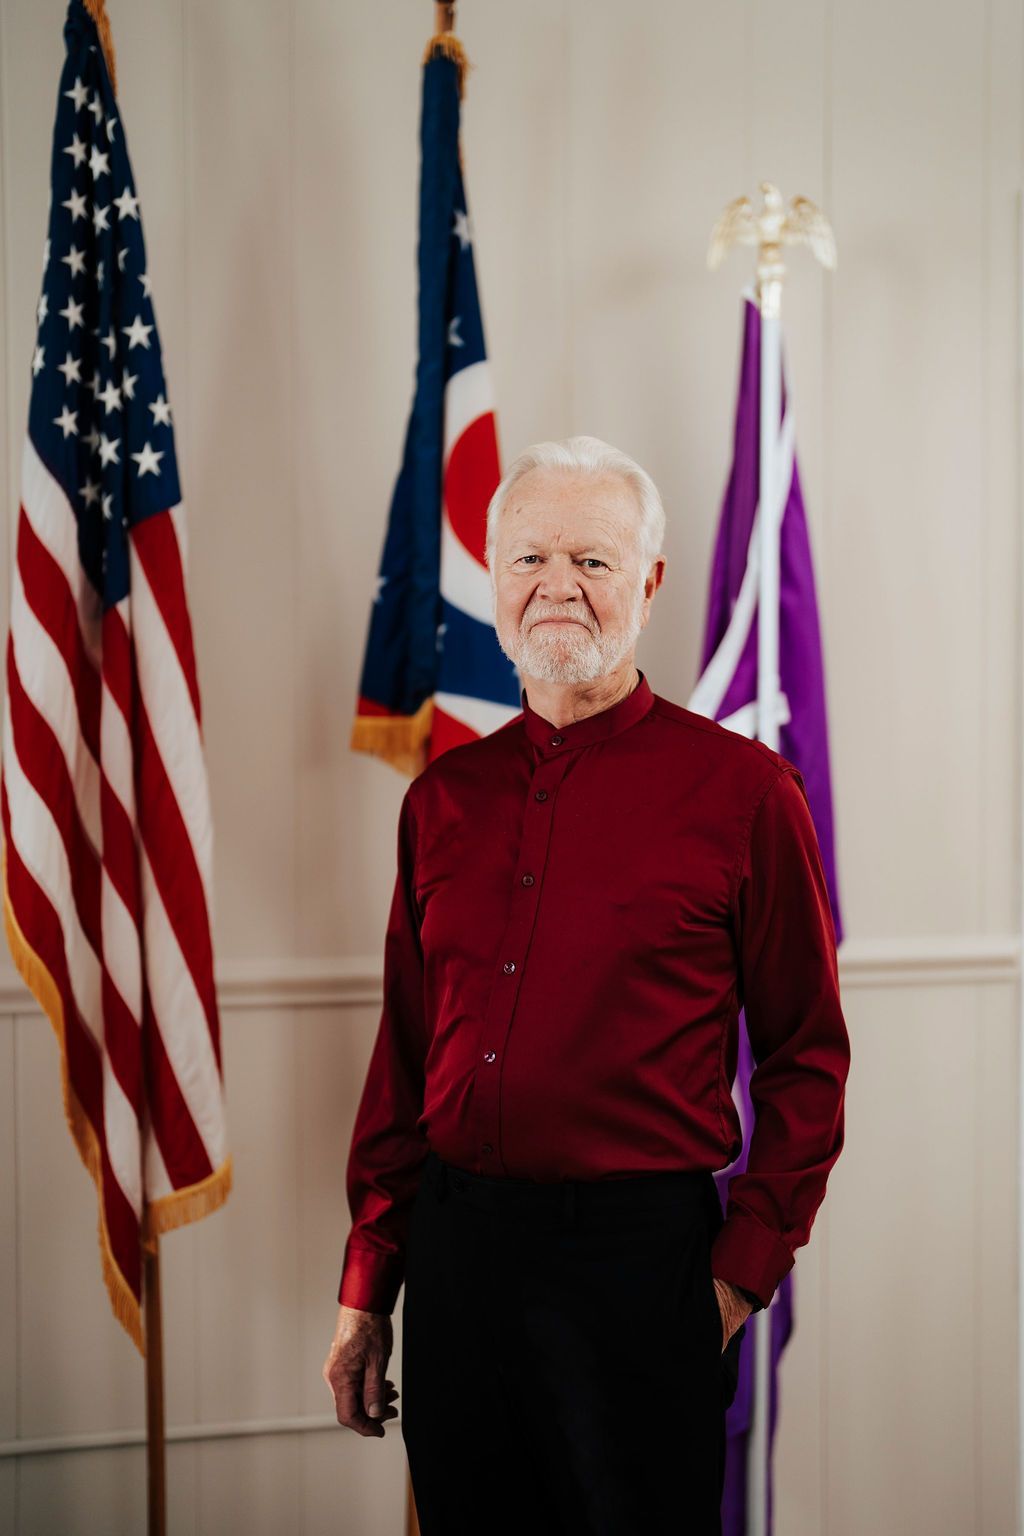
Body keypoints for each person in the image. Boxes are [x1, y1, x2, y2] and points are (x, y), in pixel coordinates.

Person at [322, 436, 851, 1535]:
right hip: (460, 1266)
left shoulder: (748, 795)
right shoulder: (442, 802)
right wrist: (369, 1286)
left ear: (649, 584)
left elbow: (807, 1057)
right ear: (493, 580)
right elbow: (406, 1062)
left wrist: (735, 1278)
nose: (555, 586)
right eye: (528, 560)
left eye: (593, 562)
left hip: (642, 1273)